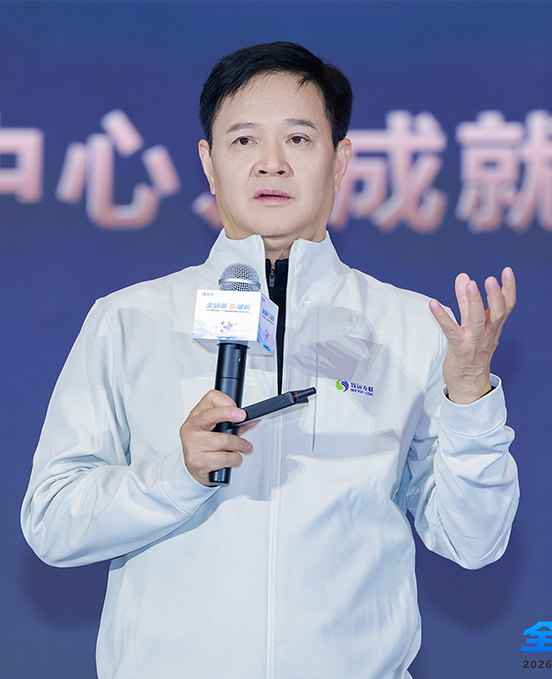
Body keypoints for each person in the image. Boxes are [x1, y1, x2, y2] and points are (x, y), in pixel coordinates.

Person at [21, 42, 519, 679]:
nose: (271, 163)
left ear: (340, 160)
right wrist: (177, 474)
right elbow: (53, 523)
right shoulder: (127, 320)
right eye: (244, 140)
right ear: (209, 163)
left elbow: (474, 541)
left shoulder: (409, 328)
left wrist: (471, 397)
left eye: (299, 139)